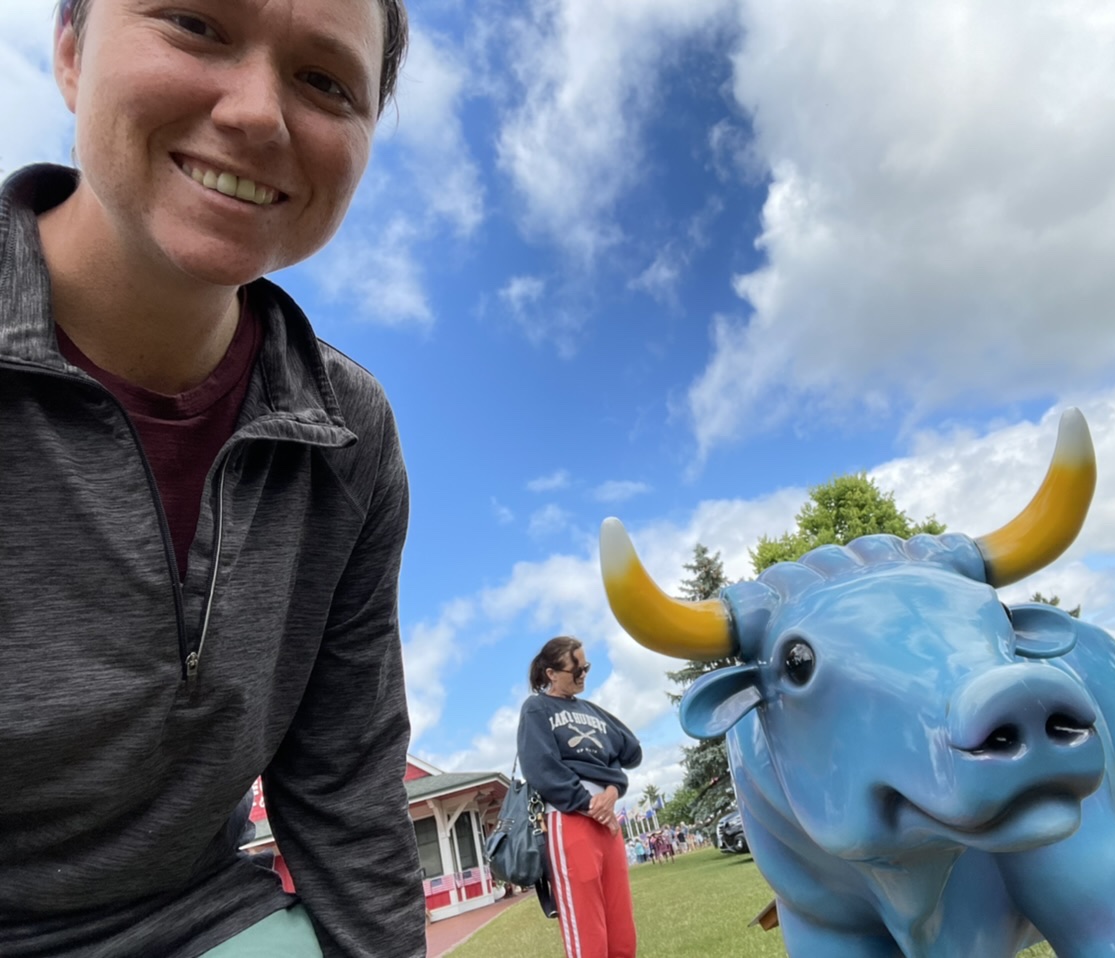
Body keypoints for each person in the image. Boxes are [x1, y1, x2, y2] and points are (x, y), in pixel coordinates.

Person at [0, 1, 423, 957]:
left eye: (326, 81)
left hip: (199, 921)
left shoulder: (349, 436)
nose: (258, 114)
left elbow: (346, 789)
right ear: (69, 50)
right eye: (195, 23)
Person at [518, 636, 642, 958]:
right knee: (587, 932)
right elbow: (540, 767)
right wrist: (590, 806)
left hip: (607, 818)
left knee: (622, 930)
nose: (584, 675)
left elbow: (629, 751)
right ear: (551, 673)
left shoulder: (593, 711)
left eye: (586, 667)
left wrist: (614, 790)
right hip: (569, 818)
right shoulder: (537, 708)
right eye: (576, 669)